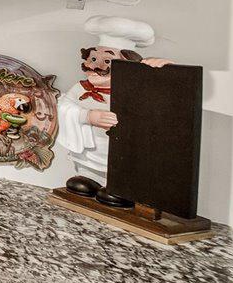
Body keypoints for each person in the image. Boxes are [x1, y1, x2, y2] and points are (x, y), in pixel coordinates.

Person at [56, 16, 171, 184]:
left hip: (118, 155)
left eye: (107, 61)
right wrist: (86, 116)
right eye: (93, 58)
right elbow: (62, 106)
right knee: (83, 182)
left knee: (118, 178)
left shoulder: (134, 91)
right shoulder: (81, 87)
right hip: (86, 153)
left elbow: (163, 104)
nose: (95, 66)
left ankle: (118, 187)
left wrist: (165, 70)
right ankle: (88, 178)